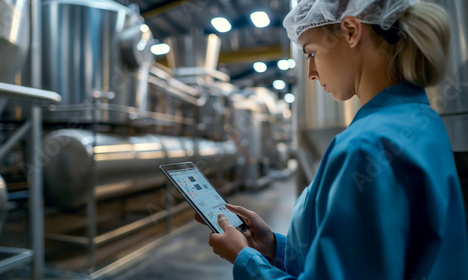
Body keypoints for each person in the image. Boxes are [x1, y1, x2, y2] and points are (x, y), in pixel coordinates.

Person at [195, 0, 468, 279]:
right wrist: (275, 247)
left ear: (351, 31)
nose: (311, 73)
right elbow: (366, 259)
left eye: (311, 52)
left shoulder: (366, 145)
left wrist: (245, 259)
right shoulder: (422, 120)